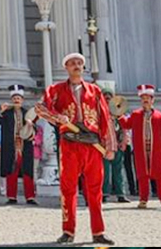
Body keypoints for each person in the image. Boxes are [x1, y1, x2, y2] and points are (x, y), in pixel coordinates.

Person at [37, 53, 116, 246]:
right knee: (68, 188)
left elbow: (105, 118)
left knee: (95, 190)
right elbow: (40, 108)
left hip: (92, 144)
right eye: (72, 63)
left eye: (79, 63)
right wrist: (57, 117)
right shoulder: (55, 90)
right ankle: (68, 231)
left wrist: (110, 146)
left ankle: (98, 231)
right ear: (66, 67)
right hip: (70, 143)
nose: (77, 66)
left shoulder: (95, 91)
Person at [118, 84, 161, 209]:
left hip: (157, 151)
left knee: (160, 176)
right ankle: (143, 199)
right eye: (143, 98)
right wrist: (119, 114)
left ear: (152, 100)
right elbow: (127, 125)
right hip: (141, 150)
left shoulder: (160, 116)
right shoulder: (136, 114)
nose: (145, 100)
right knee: (142, 175)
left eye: (147, 98)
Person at [0, 84, 36, 205]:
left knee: (28, 172)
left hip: (24, 147)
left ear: (22, 100)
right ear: (12, 99)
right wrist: (1, 111)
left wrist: (30, 125)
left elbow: (35, 129)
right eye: (15, 98)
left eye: (19, 98)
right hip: (11, 147)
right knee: (12, 172)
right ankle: (12, 196)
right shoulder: (6, 112)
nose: (16, 100)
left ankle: (30, 197)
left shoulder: (27, 113)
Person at [101, 87, 128, 203]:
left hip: (117, 145)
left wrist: (123, 142)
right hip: (104, 146)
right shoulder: (99, 112)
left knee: (118, 170)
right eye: (105, 97)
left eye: (109, 97)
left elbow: (124, 128)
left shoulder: (118, 112)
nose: (107, 99)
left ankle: (120, 194)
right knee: (105, 171)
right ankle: (104, 194)